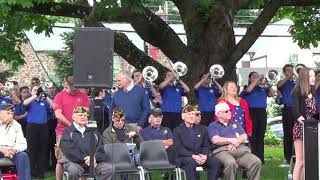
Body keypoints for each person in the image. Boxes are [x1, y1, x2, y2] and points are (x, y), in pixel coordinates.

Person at [208, 102, 261, 180]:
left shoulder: (235, 123)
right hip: (223, 151)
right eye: (226, 111)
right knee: (230, 163)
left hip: (240, 150)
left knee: (256, 161)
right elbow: (216, 140)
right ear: (218, 114)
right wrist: (230, 140)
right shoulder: (213, 125)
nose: (230, 112)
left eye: (229, 110)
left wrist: (237, 142)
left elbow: (244, 136)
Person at [60, 106, 112, 180]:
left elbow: (100, 147)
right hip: (75, 162)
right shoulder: (68, 131)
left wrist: (94, 158)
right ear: (73, 117)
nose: (83, 117)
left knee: (109, 169)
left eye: (85, 115)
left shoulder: (93, 131)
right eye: (80, 115)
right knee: (73, 171)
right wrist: (86, 158)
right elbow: (69, 151)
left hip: (94, 162)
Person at [54, 74, 90, 180]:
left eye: (76, 88)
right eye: (72, 87)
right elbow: (58, 114)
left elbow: (86, 112)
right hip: (62, 131)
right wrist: (71, 126)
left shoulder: (83, 96)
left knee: (82, 157)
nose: (74, 90)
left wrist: (78, 125)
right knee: (61, 160)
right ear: (66, 83)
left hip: (80, 132)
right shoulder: (59, 96)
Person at [173, 105, 221, 180]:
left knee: (216, 162)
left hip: (200, 157)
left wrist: (204, 156)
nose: (192, 116)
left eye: (193, 114)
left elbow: (206, 146)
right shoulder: (177, 130)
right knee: (191, 162)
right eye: (189, 114)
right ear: (183, 117)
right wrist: (193, 156)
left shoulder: (202, 129)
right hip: (185, 158)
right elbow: (179, 148)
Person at [240, 71, 275, 163]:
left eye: (258, 76)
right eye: (254, 76)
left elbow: (272, 94)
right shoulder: (247, 87)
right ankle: (252, 158)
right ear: (250, 79)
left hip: (262, 112)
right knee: (252, 136)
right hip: (251, 112)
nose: (257, 77)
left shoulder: (263, 88)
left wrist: (268, 84)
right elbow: (248, 90)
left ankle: (260, 159)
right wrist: (257, 80)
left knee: (260, 135)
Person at [292, 67, 318, 180]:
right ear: (304, 78)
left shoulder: (313, 92)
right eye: (310, 76)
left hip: (312, 129)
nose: (313, 78)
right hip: (301, 128)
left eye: (314, 76)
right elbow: (295, 112)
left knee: (309, 161)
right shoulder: (297, 91)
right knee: (300, 161)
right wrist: (307, 125)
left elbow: (315, 112)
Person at [23, 85, 54, 178]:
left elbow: (54, 106)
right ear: (31, 92)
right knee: (32, 149)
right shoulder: (30, 101)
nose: (37, 91)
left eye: (38, 90)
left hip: (43, 127)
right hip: (32, 127)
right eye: (35, 90)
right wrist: (34, 95)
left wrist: (45, 96)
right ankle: (32, 170)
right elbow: (24, 103)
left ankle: (41, 171)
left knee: (43, 149)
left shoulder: (44, 102)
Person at [0, 103, 31, 180]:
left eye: (12, 113)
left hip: (11, 152)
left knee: (23, 156)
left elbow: (22, 143)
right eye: (8, 113)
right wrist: (2, 149)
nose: (11, 116)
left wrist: (14, 150)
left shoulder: (16, 125)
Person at [276, 64, 296, 164]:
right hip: (287, 109)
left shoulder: (296, 82)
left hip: (297, 110)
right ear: (284, 72)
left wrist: (296, 76)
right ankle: (288, 157)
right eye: (288, 70)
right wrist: (288, 77)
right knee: (288, 134)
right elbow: (278, 85)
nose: (290, 72)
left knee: (297, 134)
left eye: (291, 70)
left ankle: (297, 155)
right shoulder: (282, 82)